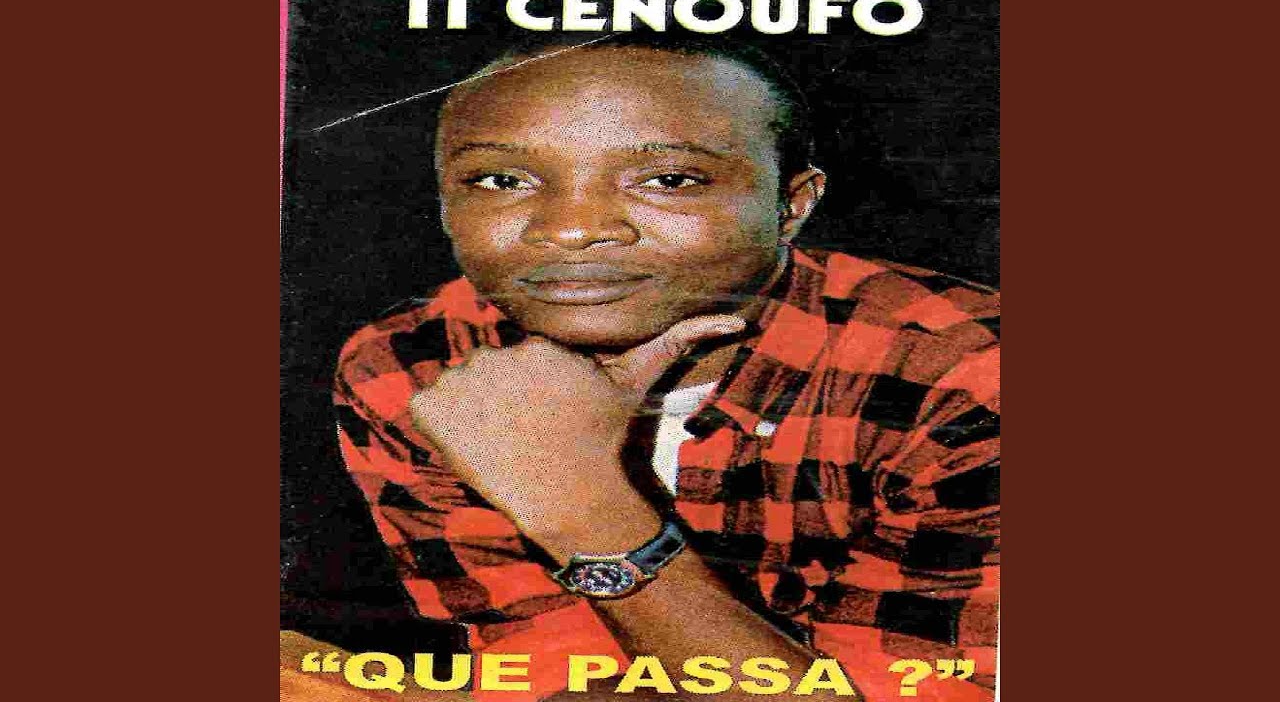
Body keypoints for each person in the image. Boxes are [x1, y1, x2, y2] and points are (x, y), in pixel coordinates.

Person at [332, 35, 999, 702]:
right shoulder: (417, 363)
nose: (571, 229)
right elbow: (556, 675)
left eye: (669, 180)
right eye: (501, 181)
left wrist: (583, 510)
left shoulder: (967, 379)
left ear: (792, 205)